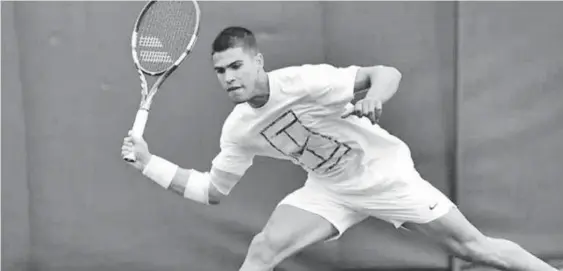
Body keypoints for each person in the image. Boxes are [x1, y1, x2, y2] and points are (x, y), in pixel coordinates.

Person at [121, 26, 559, 271]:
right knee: (261, 250)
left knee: (473, 248)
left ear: (258, 61)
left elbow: (386, 72)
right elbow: (211, 191)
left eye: (237, 65)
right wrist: (147, 163)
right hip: (329, 190)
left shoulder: (305, 81)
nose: (230, 77)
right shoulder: (238, 129)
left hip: (384, 175)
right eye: (220, 71)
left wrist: (376, 97)